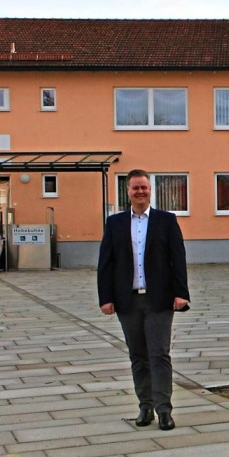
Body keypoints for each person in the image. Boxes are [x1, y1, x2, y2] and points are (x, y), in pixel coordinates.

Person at [98, 169, 190, 430]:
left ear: (151, 190)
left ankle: (164, 410)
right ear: (127, 192)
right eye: (135, 188)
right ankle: (145, 407)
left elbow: (178, 259)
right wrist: (106, 298)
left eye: (144, 188)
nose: (140, 192)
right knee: (138, 356)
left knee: (159, 354)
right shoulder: (114, 223)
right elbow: (106, 263)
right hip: (127, 302)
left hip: (159, 300)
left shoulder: (166, 220)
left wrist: (181, 293)